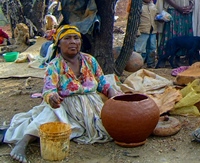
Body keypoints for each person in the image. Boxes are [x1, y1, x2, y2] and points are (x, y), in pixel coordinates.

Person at [3, 25, 120, 163]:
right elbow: (48, 89)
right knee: (51, 114)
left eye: (76, 38)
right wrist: (52, 97)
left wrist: (114, 96)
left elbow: (103, 83)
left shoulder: (90, 61)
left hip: (92, 106)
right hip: (65, 105)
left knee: (114, 124)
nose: (73, 42)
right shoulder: (54, 65)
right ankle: (23, 142)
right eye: (67, 38)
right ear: (58, 43)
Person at [134, 0, 158, 68]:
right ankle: (138, 64)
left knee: (152, 47)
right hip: (142, 31)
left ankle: (150, 63)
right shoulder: (138, 6)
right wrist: (136, 31)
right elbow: (134, 20)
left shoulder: (153, 6)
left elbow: (156, 16)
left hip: (152, 31)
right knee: (140, 49)